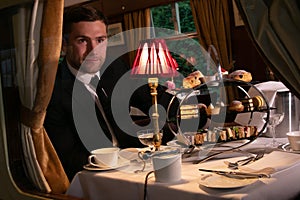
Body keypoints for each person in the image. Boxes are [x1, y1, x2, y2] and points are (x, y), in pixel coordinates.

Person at [44, 5, 143, 181]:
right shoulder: (53, 91)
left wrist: (190, 108)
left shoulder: (115, 68)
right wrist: (114, 165)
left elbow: (149, 95)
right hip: (94, 177)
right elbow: (68, 156)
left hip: (135, 166)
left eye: (100, 40)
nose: (93, 50)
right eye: (82, 40)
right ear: (64, 45)